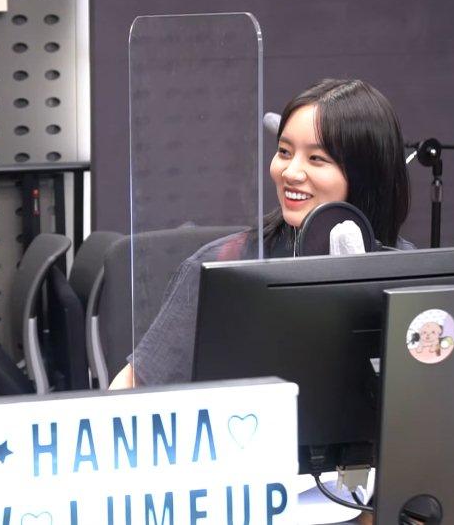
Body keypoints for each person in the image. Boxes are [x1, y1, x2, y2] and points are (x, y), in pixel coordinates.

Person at [111, 78, 413, 389]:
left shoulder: (408, 271)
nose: (290, 172)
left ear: (366, 174)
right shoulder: (222, 265)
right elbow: (130, 387)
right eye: (284, 151)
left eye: (316, 158)